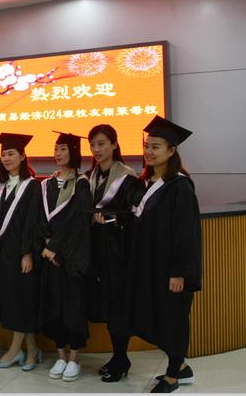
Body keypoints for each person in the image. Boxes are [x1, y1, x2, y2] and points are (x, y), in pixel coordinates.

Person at [129, 116, 202, 393]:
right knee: (160, 318)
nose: (149, 152)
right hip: (152, 267)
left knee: (173, 319)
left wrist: (179, 272)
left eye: (156, 147)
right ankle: (181, 367)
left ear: (171, 151)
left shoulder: (180, 186)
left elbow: (186, 233)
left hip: (171, 269)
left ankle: (173, 376)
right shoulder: (149, 183)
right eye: (147, 146)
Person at [0, 133, 41, 371]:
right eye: (4, 155)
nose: (7, 158)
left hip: (20, 254)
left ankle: (14, 351)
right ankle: (31, 349)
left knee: (20, 300)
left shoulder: (32, 187)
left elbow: (32, 223)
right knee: (12, 301)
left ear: (22, 156)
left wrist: (27, 253)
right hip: (1, 254)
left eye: (11, 154)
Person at [85, 124, 145, 382]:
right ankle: (117, 357)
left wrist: (110, 220)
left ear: (114, 144)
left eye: (101, 143)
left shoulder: (127, 178)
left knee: (118, 305)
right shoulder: (90, 176)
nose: (96, 149)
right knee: (106, 305)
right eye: (92, 144)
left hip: (118, 252)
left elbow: (136, 214)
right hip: (96, 251)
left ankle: (121, 358)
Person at [38, 132, 92, 382]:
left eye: (63, 149)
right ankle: (60, 355)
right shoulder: (47, 183)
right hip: (49, 256)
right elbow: (39, 217)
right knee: (54, 307)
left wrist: (56, 248)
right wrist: (45, 244)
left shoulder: (82, 184)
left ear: (74, 152)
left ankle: (74, 357)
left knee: (73, 307)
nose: (58, 153)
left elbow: (77, 221)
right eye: (56, 149)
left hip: (70, 259)